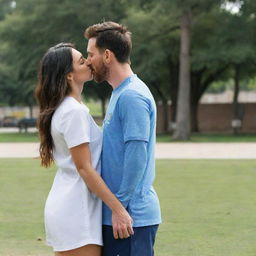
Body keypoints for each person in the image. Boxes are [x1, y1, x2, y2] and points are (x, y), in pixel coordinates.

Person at [35, 43, 133, 256]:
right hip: (76, 211)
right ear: (69, 76)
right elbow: (85, 169)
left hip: (73, 206)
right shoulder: (73, 112)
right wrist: (118, 210)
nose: (89, 61)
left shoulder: (69, 109)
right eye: (81, 61)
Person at [85, 21, 162, 256]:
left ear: (107, 55)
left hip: (129, 218)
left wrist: (120, 208)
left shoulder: (131, 96)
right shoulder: (120, 93)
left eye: (90, 54)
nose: (88, 61)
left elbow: (137, 155)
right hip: (120, 215)